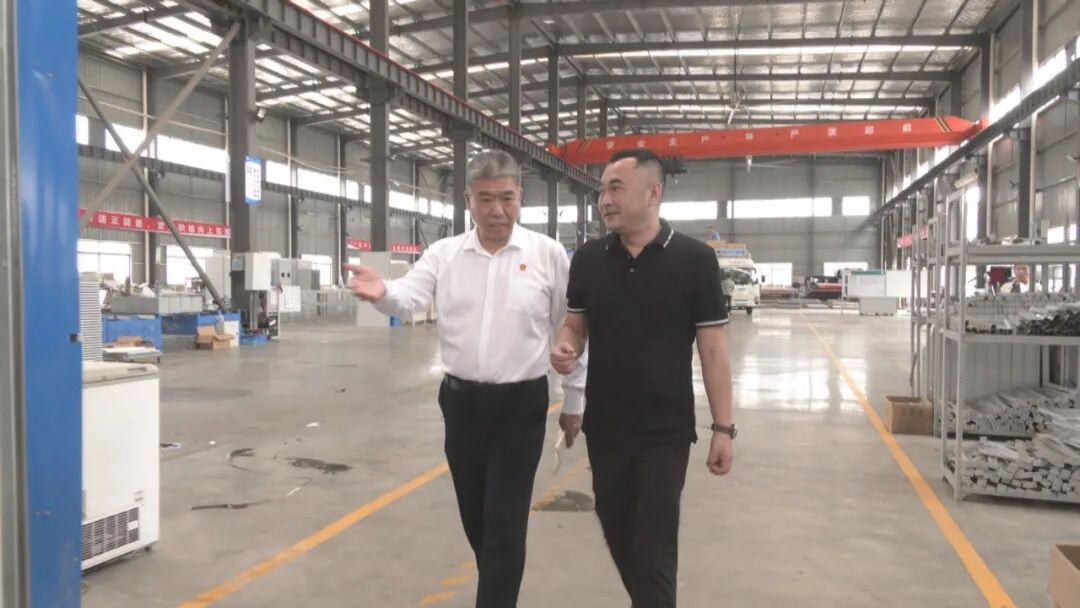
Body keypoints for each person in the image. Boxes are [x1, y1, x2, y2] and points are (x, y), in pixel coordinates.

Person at [347, 150, 586, 608]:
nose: (497, 210)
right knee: (477, 522)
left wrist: (575, 399)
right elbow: (407, 296)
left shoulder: (548, 254)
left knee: (504, 527)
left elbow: (572, 327)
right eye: (485, 199)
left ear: (521, 197)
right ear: (467, 201)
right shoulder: (445, 254)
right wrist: (382, 294)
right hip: (461, 406)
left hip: (521, 406)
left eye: (507, 198)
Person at [550, 148, 735, 608]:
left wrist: (723, 428)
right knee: (616, 526)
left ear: (653, 193)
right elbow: (576, 324)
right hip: (606, 427)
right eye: (601, 191)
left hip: (665, 431)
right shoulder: (589, 259)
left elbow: (713, 350)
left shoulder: (694, 260)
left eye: (615, 188)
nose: (604, 200)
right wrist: (567, 345)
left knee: (653, 545)